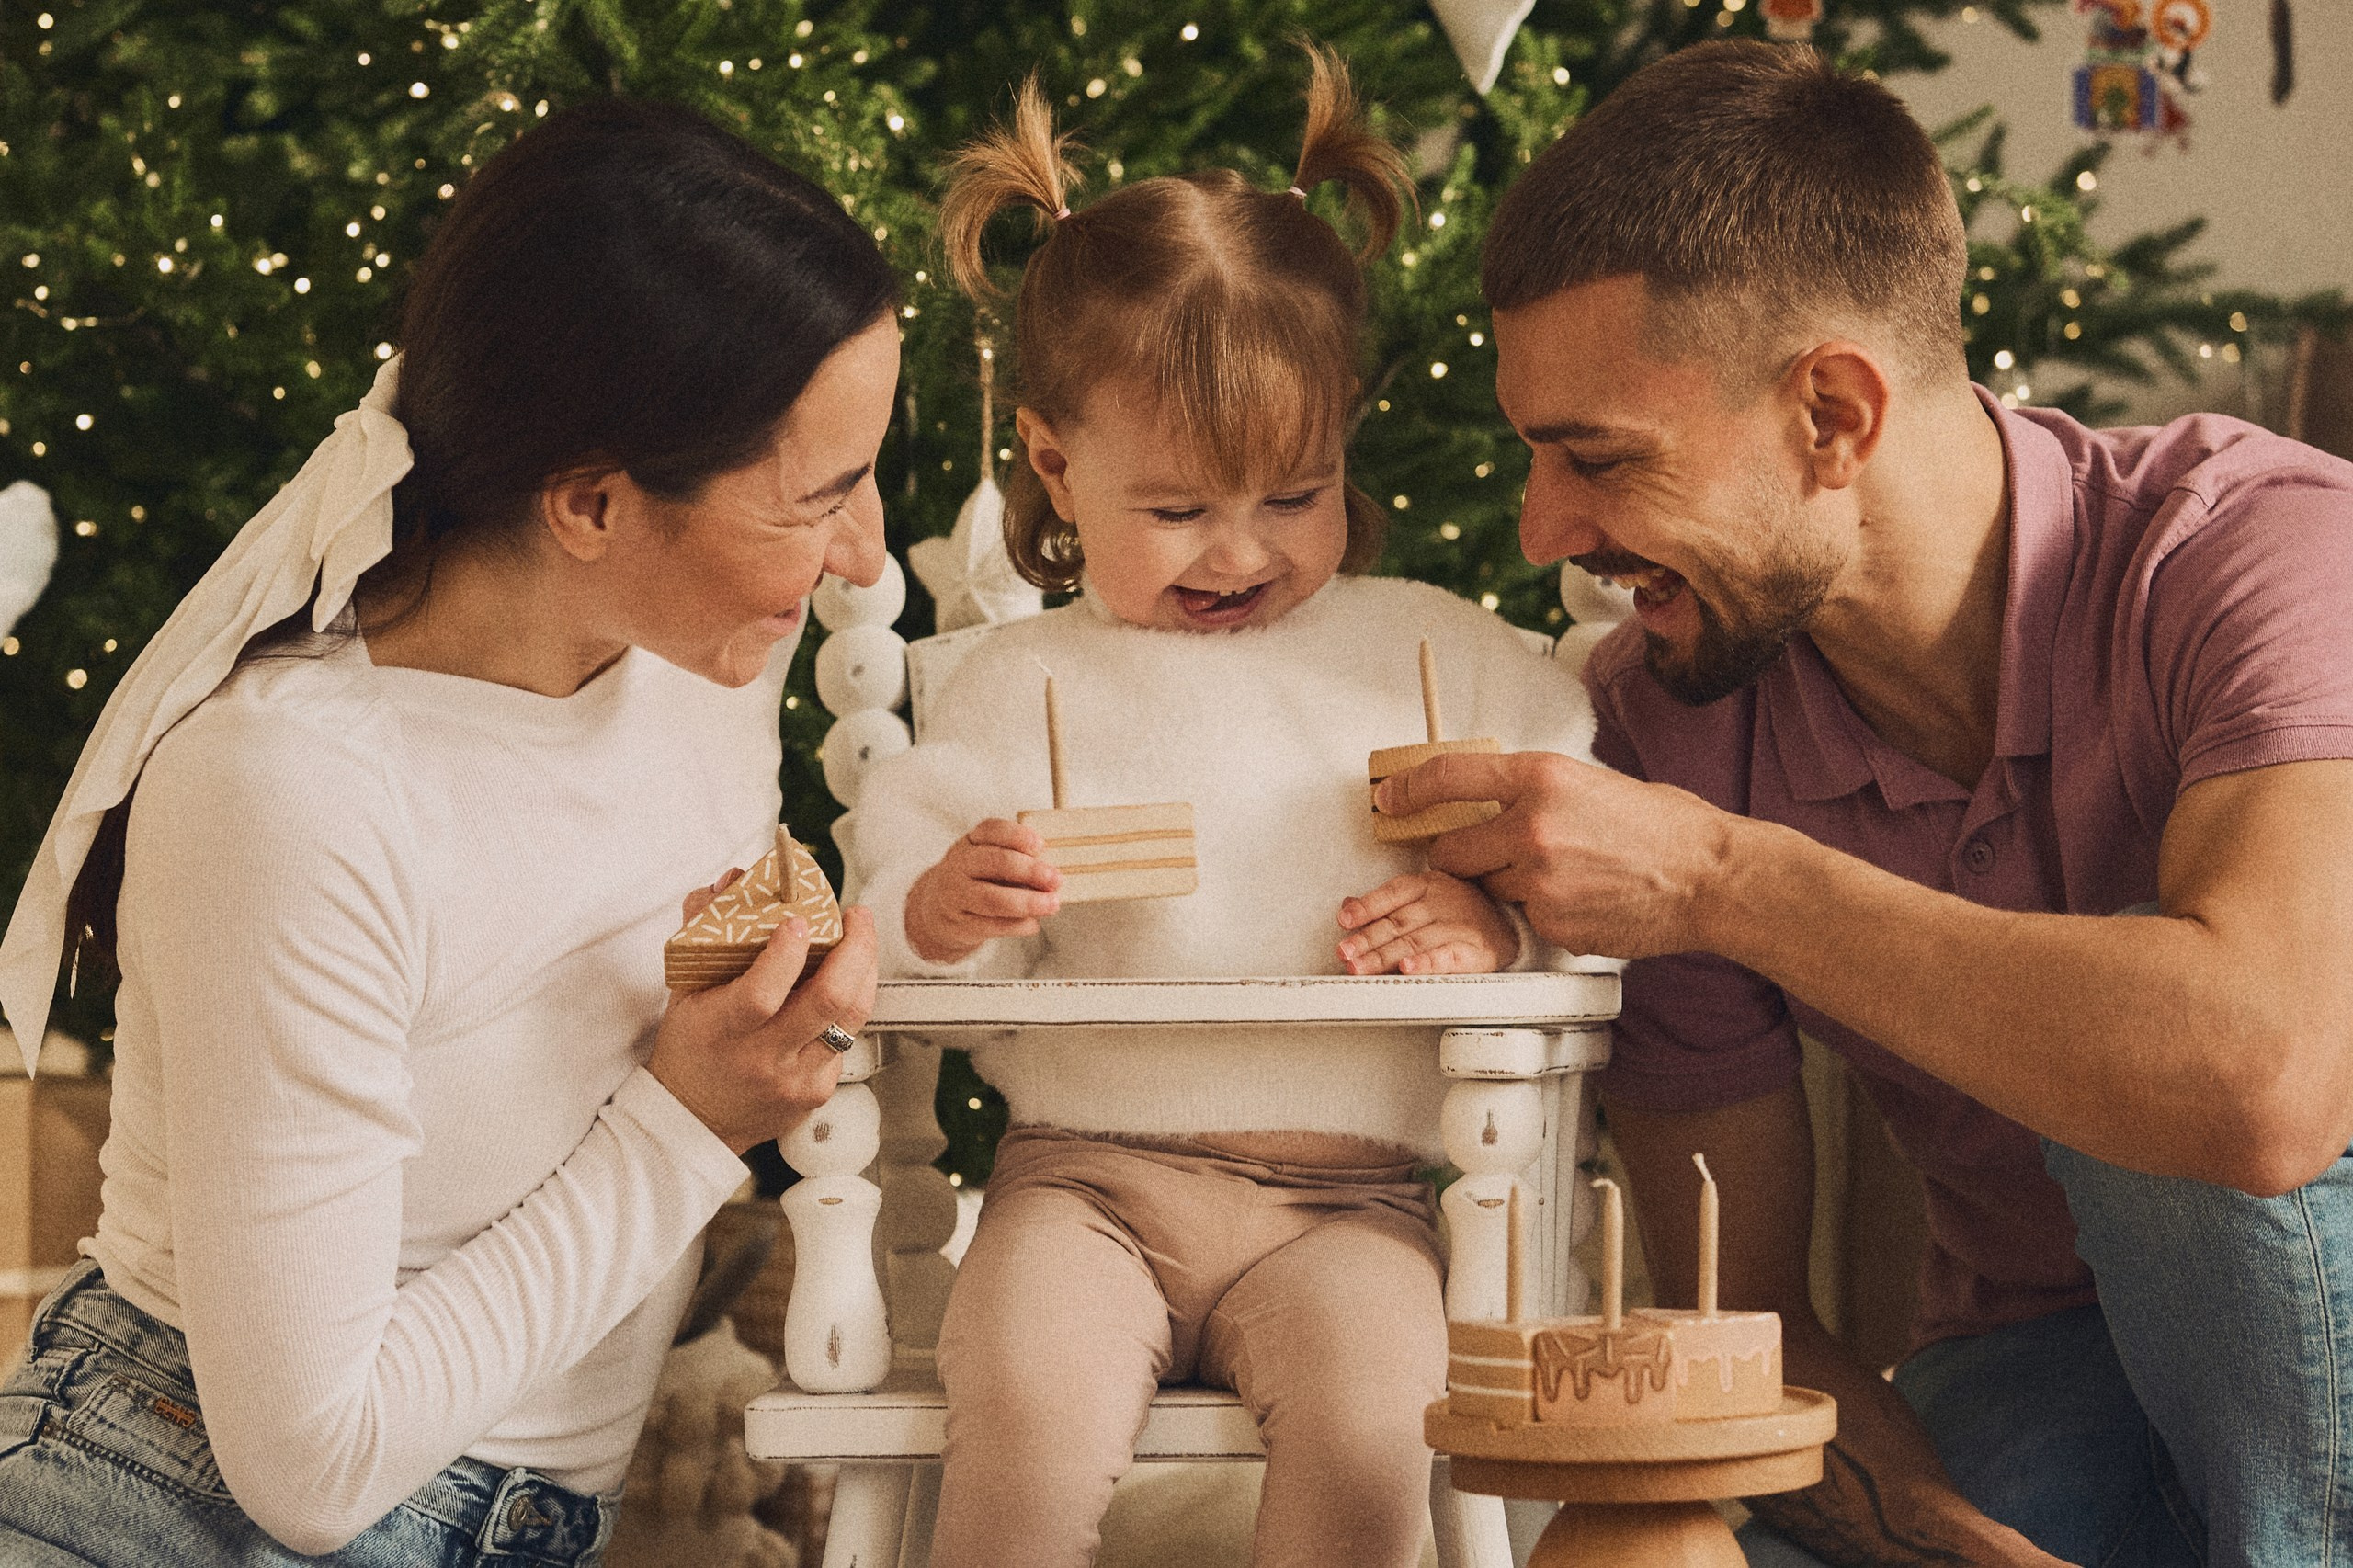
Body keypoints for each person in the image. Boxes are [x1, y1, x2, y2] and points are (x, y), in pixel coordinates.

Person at [1380, 39, 2353, 1568]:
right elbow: (1749, 1308)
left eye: (1598, 459)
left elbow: (2265, 1083)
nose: (1543, 531)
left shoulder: (2254, 555)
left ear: (1834, 413)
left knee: (2160, 1106)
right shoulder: (1663, 727)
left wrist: (1724, 879)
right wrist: (1946, 1546)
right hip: (2040, 1366)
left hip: (2321, 1296)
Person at [0, 100, 892, 1566]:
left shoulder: (707, 649)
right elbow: (312, 1462)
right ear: (593, 502)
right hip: (173, 1512)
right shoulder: (290, 788)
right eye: (820, 499)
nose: (861, 554)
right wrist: (685, 1120)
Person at [835, 53, 1607, 1568]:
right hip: (1085, 1181)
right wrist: (947, 909)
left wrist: (1489, 913)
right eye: (1178, 509)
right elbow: (899, 923)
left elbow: (1584, 830)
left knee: (1382, 1416)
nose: (1240, 553)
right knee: (1024, 1395)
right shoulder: (1022, 682)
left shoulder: (1428, 651)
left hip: (1351, 1204)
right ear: (1056, 463)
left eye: (1296, 495)